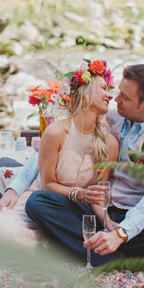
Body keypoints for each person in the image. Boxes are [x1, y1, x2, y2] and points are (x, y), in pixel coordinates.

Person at [0, 63, 144, 267]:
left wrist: (121, 234)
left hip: (131, 214)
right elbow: (50, 152)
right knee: (39, 202)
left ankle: (84, 246)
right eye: (118, 91)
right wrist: (15, 188)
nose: (115, 99)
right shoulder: (110, 117)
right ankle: (116, 258)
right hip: (91, 208)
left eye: (124, 97)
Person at [38, 60, 119, 226]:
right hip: (55, 204)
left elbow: (98, 194)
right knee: (37, 202)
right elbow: (48, 185)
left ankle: (89, 237)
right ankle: (85, 238)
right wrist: (80, 194)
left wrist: (107, 222)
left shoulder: (110, 143)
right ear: (86, 93)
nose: (110, 96)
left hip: (84, 210)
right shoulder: (55, 132)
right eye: (103, 88)